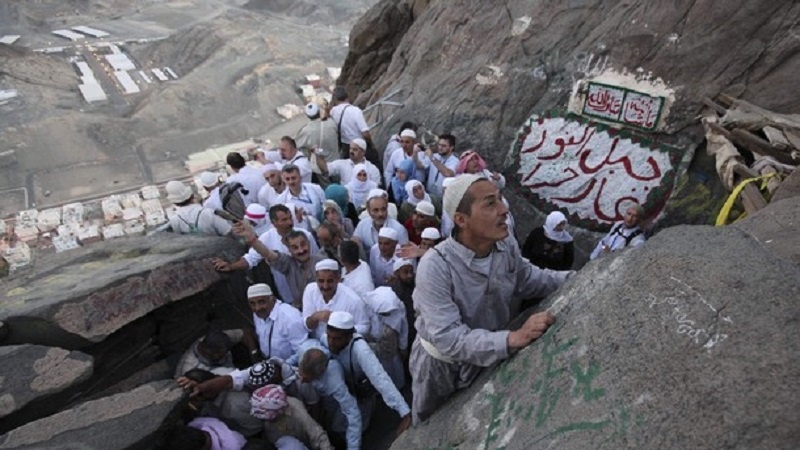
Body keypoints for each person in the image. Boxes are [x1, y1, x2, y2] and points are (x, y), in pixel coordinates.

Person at [410, 174, 573, 423]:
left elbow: (525, 277)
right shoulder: (435, 267)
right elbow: (450, 338)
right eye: (490, 203)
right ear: (461, 220)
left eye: (500, 199)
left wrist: (574, 278)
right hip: (440, 366)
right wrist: (513, 338)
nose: (504, 209)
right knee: (428, 422)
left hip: (490, 348)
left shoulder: (505, 242)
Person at [322, 312, 411, 434]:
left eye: (337, 339)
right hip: (341, 389)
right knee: (333, 425)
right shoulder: (326, 340)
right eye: (329, 337)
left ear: (349, 337)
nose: (331, 343)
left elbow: (380, 379)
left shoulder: (361, 351)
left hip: (361, 394)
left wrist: (404, 412)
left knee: (356, 428)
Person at [212, 205, 318, 306]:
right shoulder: (267, 238)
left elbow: (317, 260)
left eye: (290, 218)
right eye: (284, 220)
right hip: (289, 296)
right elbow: (252, 259)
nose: (290, 223)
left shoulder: (306, 235)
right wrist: (231, 266)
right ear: (274, 222)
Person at [298, 348, 362, 450]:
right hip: (324, 402)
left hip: (337, 403)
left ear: (320, 372)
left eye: (306, 378)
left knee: (337, 426)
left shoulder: (336, 384)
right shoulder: (304, 354)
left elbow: (353, 415)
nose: (301, 381)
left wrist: (353, 447)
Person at [250, 384, 334, 450]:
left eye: (267, 418)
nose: (263, 420)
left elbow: (318, 435)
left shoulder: (297, 412)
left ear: (279, 413)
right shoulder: (271, 407)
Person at [302, 259, 370, 340]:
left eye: (330, 281)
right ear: (316, 279)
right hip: (316, 343)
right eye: (321, 281)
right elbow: (307, 326)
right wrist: (315, 317)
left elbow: (365, 326)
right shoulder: (310, 290)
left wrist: (343, 329)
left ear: (338, 279)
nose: (325, 286)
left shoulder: (353, 300)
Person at [246, 283, 308, 361]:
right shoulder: (258, 314)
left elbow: (303, 353)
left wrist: (282, 366)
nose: (257, 308)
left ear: (272, 299)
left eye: (261, 302)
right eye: (252, 304)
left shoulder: (289, 317)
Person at [362, 288, 409, 389]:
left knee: (396, 370)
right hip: (375, 347)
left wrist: (403, 347)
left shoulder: (399, 307)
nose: (387, 316)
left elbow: (404, 328)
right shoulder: (367, 307)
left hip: (392, 347)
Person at [174, 329, 250, 378]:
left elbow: (244, 333)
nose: (222, 356)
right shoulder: (189, 368)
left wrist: (255, 354)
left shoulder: (218, 338)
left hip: (231, 368)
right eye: (219, 354)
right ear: (205, 350)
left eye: (225, 353)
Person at [295, 102, 339, 188]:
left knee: (328, 190)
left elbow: (296, 145)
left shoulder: (306, 131)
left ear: (307, 115)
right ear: (319, 112)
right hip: (336, 161)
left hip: (321, 166)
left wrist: (310, 151)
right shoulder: (331, 123)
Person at [165, 180, 231, 236]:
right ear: (192, 196)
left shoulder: (175, 220)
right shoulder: (208, 212)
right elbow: (227, 231)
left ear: (174, 202)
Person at [329, 86, 376, 165]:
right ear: (347, 96)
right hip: (360, 145)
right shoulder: (355, 111)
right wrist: (371, 145)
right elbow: (365, 133)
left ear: (335, 99)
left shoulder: (333, 111)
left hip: (346, 147)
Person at [315, 138, 381, 186]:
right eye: (350, 148)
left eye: (355, 149)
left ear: (363, 152)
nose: (351, 151)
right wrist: (318, 154)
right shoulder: (342, 164)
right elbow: (325, 170)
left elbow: (375, 189)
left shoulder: (372, 169)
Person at [388, 258, 416, 350]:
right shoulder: (394, 291)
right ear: (397, 273)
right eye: (406, 272)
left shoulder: (415, 284)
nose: (410, 275)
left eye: (411, 271)